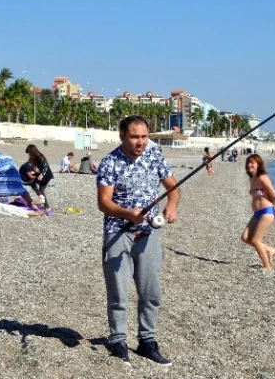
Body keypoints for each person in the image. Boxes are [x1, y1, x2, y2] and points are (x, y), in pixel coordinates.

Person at [97, 115, 180, 367]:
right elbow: (103, 203)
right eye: (134, 137)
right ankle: (118, 341)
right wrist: (127, 214)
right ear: (122, 135)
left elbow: (173, 188)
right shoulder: (109, 162)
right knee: (118, 292)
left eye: (144, 137)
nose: (140, 142)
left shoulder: (155, 157)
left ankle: (147, 342)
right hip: (117, 233)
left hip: (149, 235)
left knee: (150, 291)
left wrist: (171, 207)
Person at [240, 153, 275, 271]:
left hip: (266, 212)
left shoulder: (262, 177)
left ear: (258, 164)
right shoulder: (252, 178)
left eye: (253, 163)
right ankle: (269, 250)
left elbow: (274, 195)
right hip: (257, 213)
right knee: (245, 237)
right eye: (248, 162)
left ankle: (267, 266)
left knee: (256, 240)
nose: (250, 165)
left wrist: (272, 207)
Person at [25, 144, 54, 216]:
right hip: (41, 174)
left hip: (46, 175)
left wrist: (42, 174)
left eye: (29, 152)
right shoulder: (34, 157)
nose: (29, 154)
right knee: (33, 184)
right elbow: (34, 166)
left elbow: (45, 166)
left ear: (32, 151)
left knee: (41, 190)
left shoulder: (40, 156)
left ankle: (47, 207)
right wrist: (33, 171)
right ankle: (45, 205)